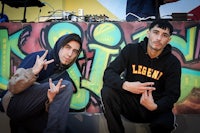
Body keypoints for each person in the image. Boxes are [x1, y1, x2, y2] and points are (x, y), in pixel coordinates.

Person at [101, 20, 181, 133]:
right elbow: (109, 73)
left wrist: (155, 106)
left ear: (168, 40)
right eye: (156, 32)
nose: (158, 38)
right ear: (148, 33)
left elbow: (173, 94)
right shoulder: (131, 50)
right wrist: (126, 85)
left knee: (165, 122)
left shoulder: (173, 62)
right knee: (107, 91)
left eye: (164, 35)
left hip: (155, 108)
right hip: (131, 105)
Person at [1, 33, 82, 133]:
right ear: (59, 46)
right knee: (65, 86)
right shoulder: (39, 58)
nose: (70, 54)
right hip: (13, 104)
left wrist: (50, 100)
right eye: (67, 47)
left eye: (75, 51)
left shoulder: (64, 77)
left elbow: (53, 114)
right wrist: (33, 71)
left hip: (32, 114)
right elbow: (13, 88)